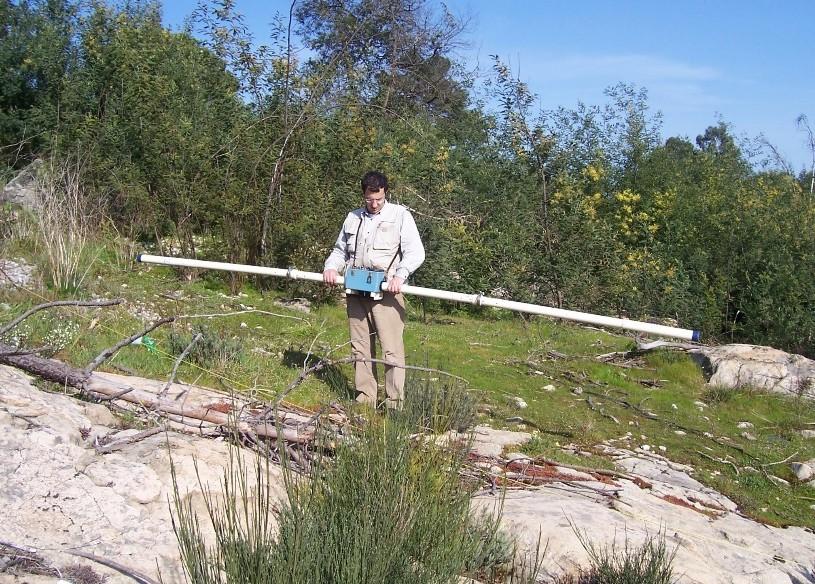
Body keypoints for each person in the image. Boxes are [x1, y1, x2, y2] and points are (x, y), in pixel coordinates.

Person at [323, 171, 425, 409]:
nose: (375, 204)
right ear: (363, 195)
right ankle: (365, 400)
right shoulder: (352, 217)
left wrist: (401, 275)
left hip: (387, 293)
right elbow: (340, 251)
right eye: (370, 199)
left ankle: (394, 405)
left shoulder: (401, 215)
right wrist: (330, 267)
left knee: (391, 350)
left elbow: (416, 252)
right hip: (356, 290)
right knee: (360, 347)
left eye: (378, 199)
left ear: (385, 193)